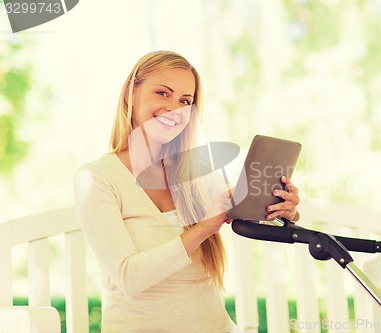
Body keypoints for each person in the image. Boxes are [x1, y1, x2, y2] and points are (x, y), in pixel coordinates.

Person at [73, 50, 301, 333]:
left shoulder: (198, 174)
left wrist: (283, 209)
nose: (174, 108)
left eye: (185, 101)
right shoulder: (96, 178)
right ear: (130, 93)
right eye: (162, 93)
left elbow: (249, 214)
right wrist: (204, 228)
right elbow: (129, 277)